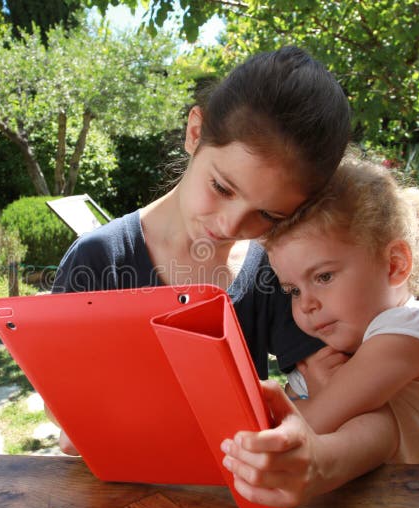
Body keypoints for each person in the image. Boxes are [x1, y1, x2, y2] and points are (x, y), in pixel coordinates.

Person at [49, 46, 348, 454]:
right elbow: (61, 401)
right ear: (195, 133)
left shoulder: (275, 270)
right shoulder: (99, 260)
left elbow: (331, 381)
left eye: (268, 214)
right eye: (222, 188)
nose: (231, 226)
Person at [248, 156, 419, 466]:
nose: (306, 304)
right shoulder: (348, 347)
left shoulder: (408, 333)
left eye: (323, 277)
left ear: (394, 264)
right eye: (293, 290)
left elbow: (307, 427)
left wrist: (318, 392)